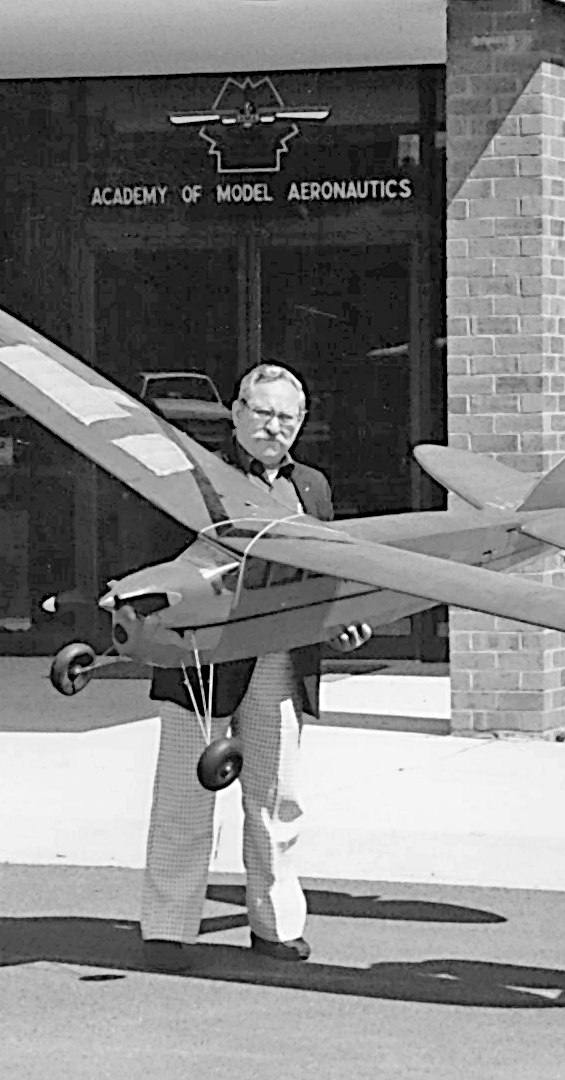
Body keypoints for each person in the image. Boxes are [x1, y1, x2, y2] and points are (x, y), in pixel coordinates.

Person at [140, 362, 371, 973]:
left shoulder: (314, 488)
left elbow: (330, 574)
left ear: (302, 424)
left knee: (276, 799)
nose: (274, 427)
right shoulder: (193, 477)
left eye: (286, 417)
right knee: (184, 800)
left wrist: (344, 626)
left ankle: (276, 926)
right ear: (237, 413)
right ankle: (167, 931)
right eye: (262, 412)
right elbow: (161, 562)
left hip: (281, 658)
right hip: (204, 655)